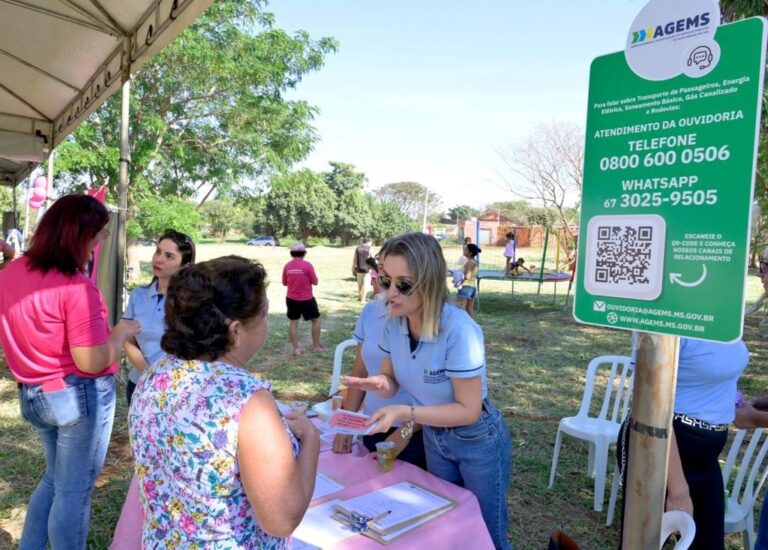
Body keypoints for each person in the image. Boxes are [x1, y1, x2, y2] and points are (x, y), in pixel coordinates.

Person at [129, 256, 320, 548]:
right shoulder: (248, 400)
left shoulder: (156, 372)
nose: (267, 324)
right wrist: (311, 440)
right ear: (235, 330)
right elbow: (282, 519)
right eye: (265, 315)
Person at [344, 232, 513, 550]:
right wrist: (380, 384)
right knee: (444, 526)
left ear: (430, 282)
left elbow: (468, 409)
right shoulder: (396, 319)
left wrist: (406, 412)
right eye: (384, 278)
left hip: (477, 439)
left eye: (402, 284)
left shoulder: (459, 330)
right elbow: (390, 377)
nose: (389, 292)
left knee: (488, 532)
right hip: (435, 435)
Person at [0, 194, 141, 549]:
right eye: (100, 235)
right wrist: (121, 332)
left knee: (54, 480)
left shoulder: (10, 273)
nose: (102, 241)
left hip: (33, 394)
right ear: (82, 237)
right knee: (73, 492)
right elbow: (90, 361)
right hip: (77, 396)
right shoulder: (76, 288)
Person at [617, 335, 749, 550]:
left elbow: (713, 374)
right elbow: (650, 402)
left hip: (706, 457)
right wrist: (677, 492)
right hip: (661, 447)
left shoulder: (725, 312)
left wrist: (733, 406)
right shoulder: (671, 311)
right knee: (645, 543)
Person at [332, 293, 427, 468]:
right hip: (373, 425)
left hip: (414, 432)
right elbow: (360, 369)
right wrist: (348, 426)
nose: (390, 287)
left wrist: (406, 431)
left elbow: (433, 391)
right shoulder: (371, 310)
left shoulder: (422, 318)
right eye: (383, 275)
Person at [122, 229, 195, 405]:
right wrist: (148, 372)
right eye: (158, 251)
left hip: (177, 388)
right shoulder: (138, 295)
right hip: (139, 383)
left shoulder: (192, 302)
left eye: (169, 256)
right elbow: (127, 339)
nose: (159, 259)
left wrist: (165, 380)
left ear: (184, 265)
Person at [283, 242, 325, 355]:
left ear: (291, 253)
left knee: (293, 322)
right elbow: (315, 282)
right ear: (304, 253)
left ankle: (296, 348)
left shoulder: (287, 266)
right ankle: (316, 346)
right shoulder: (307, 265)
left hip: (291, 299)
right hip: (307, 299)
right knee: (316, 320)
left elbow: (284, 282)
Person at [457, 243, 481, 318]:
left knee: (461, 308)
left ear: (470, 252)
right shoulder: (474, 262)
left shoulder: (469, 262)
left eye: (466, 249)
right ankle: (473, 326)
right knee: (469, 308)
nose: (464, 251)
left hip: (466, 287)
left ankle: (462, 326)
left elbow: (467, 276)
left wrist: (459, 283)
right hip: (472, 287)